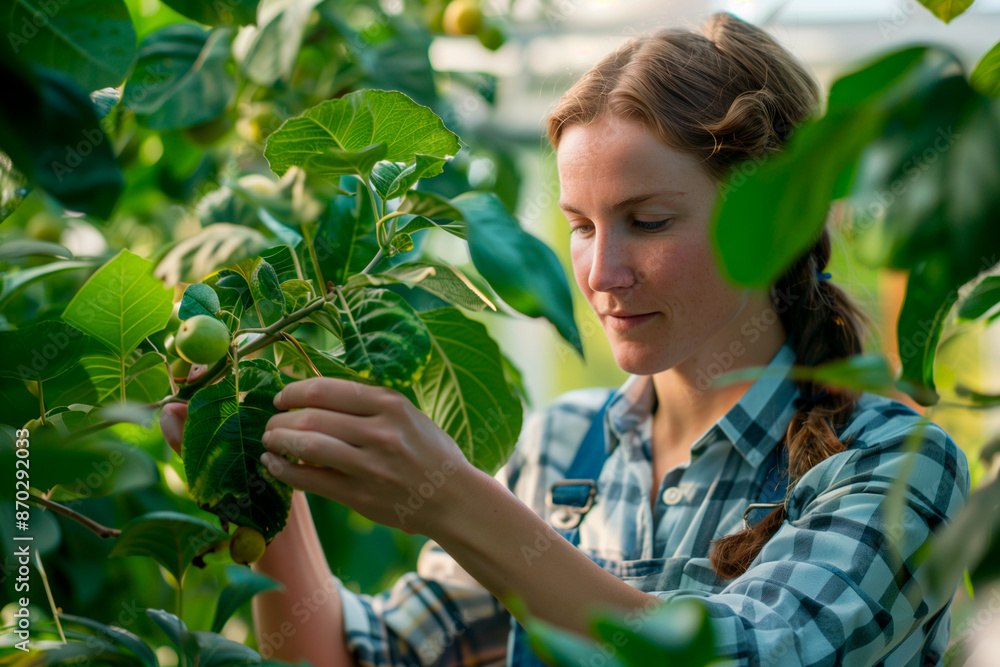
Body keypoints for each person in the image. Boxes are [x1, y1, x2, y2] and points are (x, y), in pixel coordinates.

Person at [160, 11, 970, 667]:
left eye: (647, 222)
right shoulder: (563, 450)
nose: (603, 272)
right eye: (581, 226)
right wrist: (253, 481)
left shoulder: (896, 470)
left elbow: (742, 654)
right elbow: (349, 654)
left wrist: (450, 495)